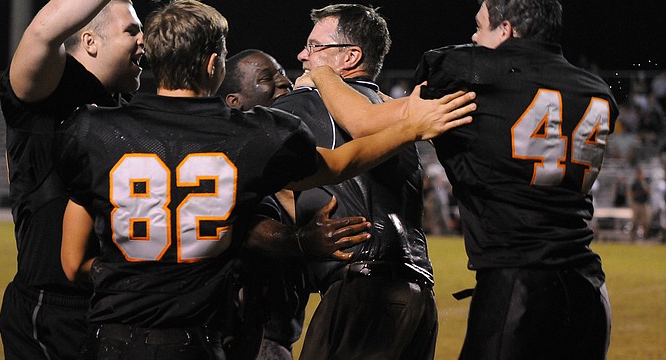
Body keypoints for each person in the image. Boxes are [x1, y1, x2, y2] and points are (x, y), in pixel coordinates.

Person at [54, 1, 476, 359]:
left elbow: (73, 262)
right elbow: (339, 163)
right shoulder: (250, 133)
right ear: (214, 63)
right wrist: (411, 125)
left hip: (112, 335)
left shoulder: (92, 129)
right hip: (198, 334)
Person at [305, 0, 618, 358]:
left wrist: (322, 74)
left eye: (479, 26)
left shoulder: (469, 70)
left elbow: (363, 123)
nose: (472, 36)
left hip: (517, 286)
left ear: (505, 31)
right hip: (590, 289)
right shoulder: (594, 88)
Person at [272, 4, 444, 359]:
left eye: (315, 46)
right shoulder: (397, 109)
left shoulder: (306, 102)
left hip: (362, 292)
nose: (303, 55)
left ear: (350, 56)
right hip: (421, 295)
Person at [0, 0, 144, 359]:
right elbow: (42, 32)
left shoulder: (123, 105)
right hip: (56, 308)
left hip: (115, 301)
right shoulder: (52, 89)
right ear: (91, 42)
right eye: (132, 30)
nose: (144, 40)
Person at [216, 49, 308, 360]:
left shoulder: (285, 159)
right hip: (245, 337)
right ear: (234, 102)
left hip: (274, 334)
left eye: (283, 73)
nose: (285, 82)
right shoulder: (231, 160)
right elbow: (253, 229)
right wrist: (304, 240)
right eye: (267, 78)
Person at [629, 167, 651, 241]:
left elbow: (649, 193)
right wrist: (641, 192)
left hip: (644, 203)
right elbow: (632, 194)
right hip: (637, 204)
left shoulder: (645, 183)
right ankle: (633, 238)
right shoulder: (635, 184)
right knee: (635, 222)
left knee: (646, 222)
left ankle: (645, 238)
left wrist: (646, 191)